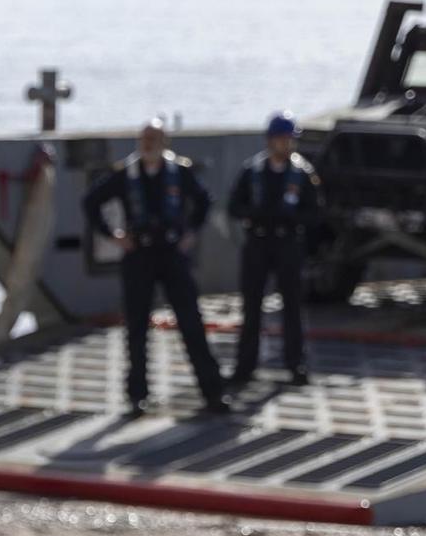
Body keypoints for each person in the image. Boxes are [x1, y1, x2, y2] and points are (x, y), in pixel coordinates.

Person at [82, 121, 227, 417]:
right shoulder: (125, 174)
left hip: (172, 254)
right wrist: (114, 236)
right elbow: (91, 201)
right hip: (139, 255)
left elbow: (203, 200)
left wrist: (191, 232)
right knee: (136, 327)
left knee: (191, 323)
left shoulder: (179, 172)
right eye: (144, 138)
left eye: (154, 138)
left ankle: (212, 392)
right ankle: (137, 395)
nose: (147, 144)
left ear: (165, 141)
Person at [227, 111, 324, 390]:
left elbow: (315, 212)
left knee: (292, 306)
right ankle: (245, 366)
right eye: (280, 139)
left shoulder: (302, 173)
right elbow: (234, 205)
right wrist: (255, 213)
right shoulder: (252, 170)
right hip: (258, 243)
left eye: (288, 139)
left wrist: (291, 218)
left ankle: (296, 364)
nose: (285, 144)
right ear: (270, 140)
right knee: (252, 307)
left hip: (287, 244)